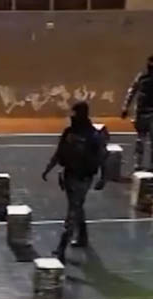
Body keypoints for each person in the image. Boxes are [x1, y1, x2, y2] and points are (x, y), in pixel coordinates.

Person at [42, 101, 106, 263]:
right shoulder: (69, 132)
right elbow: (59, 153)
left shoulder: (93, 135)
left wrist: (104, 177)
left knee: (73, 211)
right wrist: (48, 168)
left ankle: (61, 248)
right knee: (76, 206)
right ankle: (83, 236)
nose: (72, 117)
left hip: (83, 178)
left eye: (75, 113)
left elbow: (102, 156)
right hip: (69, 175)